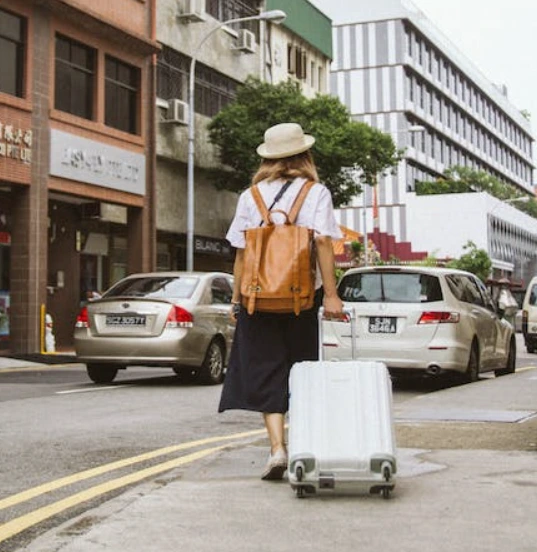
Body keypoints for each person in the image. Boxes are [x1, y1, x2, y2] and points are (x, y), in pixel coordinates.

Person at [218, 122, 344, 480]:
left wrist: (237, 300)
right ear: (304, 155)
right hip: (300, 298)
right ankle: (302, 444)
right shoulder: (316, 192)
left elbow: (241, 252)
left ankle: (277, 448)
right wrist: (332, 296)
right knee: (300, 369)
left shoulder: (251, 196)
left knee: (264, 369)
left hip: (257, 298)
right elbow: (322, 243)